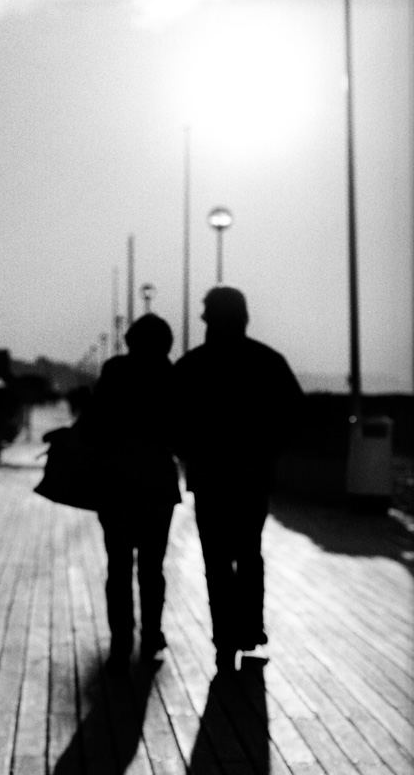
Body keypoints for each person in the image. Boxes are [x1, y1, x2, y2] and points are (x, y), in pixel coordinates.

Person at [174, 286, 302, 672]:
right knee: (248, 554)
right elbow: (295, 415)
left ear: (211, 319)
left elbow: (172, 419)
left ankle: (224, 638)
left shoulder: (192, 365)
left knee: (216, 560)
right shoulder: (267, 361)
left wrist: (191, 452)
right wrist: (267, 451)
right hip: (252, 476)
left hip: (209, 478)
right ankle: (249, 629)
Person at [88, 314, 181, 672]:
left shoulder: (116, 372)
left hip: (118, 483)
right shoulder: (170, 374)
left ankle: (121, 640)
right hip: (157, 483)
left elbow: (96, 421)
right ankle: (152, 634)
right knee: (153, 568)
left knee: (119, 566)